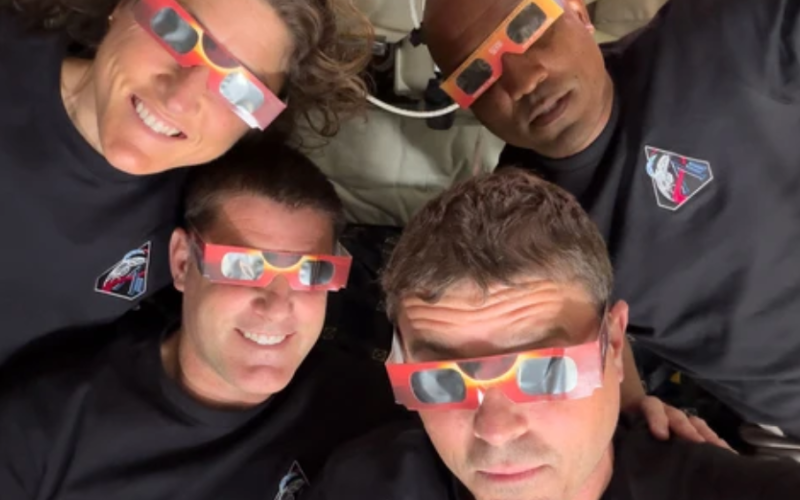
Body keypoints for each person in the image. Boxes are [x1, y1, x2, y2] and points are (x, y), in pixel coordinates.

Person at [420, 0, 800, 440]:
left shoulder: (715, 36)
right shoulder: (519, 221)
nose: (523, 81)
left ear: (578, 12)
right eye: (477, 76)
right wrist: (636, 405)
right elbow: (590, 339)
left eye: (526, 28)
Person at [307, 168, 800, 500]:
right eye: (443, 380)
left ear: (613, 343)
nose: (495, 429)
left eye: (546, 371)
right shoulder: (363, 484)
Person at [0, 140, 404, 500]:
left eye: (310, 273)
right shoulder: (44, 423)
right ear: (181, 263)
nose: (277, 306)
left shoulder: (373, 415)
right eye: (242, 267)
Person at [0, 0, 373, 364]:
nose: (179, 98)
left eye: (239, 89)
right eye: (174, 32)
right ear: (120, 6)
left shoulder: (203, 224)